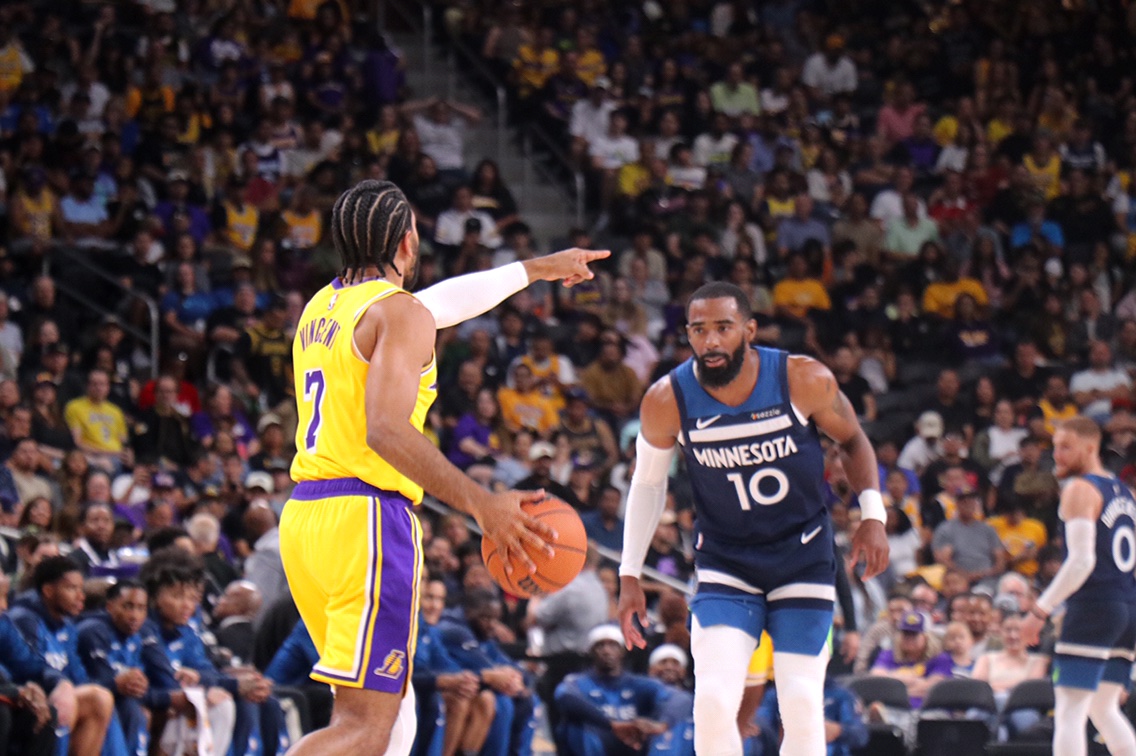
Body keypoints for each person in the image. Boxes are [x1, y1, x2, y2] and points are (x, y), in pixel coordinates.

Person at [279, 179, 607, 755]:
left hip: (309, 518)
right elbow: (384, 428)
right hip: (367, 521)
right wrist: (483, 503)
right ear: (408, 243)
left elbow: (441, 304)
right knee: (365, 726)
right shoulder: (398, 314)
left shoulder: (323, 307)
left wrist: (534, 269)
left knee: (391, 718)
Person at [618, 281, 889, 755]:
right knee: (714, 702)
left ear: (750, 329)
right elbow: (646, 484)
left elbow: (853, 440)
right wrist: (629, 573)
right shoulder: (667, 399)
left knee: (802, 701)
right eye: (699, 330)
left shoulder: (802, 378)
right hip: (727, 562)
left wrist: (872, 515)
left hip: (802, 556)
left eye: (723, 327)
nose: (712, 341)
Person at [1021, 417, 1136, 756]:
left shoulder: (1080, 489)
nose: (1057, 454)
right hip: (1127, 609)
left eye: (1066, 447)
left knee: (1070, 713)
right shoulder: (1125, 493)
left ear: (1090, 447)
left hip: (1095, 606)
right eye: (1055, 446)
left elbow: (1082, 562)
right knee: (1104, 708)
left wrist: (1039, 611)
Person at [554, 625, 675, 756]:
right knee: (574, 725)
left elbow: (676, 698)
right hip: (591, 748)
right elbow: (563, 695)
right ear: (591, 651)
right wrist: (612, 725)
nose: (606, 651)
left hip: (632, 748)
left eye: (613, 645)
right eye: (600, 646)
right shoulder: (578, 681)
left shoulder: (639, 684)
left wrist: (661, 724)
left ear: (623, 650)